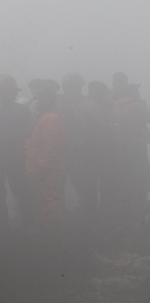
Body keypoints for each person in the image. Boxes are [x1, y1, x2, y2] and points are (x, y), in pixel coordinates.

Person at [25, 79, 67, 234]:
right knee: (42, 200)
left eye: (41, 98)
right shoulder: (44, 118)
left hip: (46, 169)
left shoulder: (50, 119)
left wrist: (42, 166)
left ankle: (51, 233)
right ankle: (45, 229)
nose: (38, 102)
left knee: (47, 200)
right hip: (40, 168)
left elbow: (50, 146)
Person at [71, 81, 114, 221]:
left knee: (88, 181)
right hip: (96, 148)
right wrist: (116, 127)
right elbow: (102, 126)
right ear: (95, 92)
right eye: (101, 93)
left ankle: (88, 211)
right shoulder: (93, 106)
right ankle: (99, 213)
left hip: (84, 149)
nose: (102, 97)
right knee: (101, 178)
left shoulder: (81, 105)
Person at [113, 83, 150, 210]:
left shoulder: (116, 105)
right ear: (133, 93)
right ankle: (139, 206)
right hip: (137, 146)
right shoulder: (137, 104)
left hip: (121, 146)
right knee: (145, 176)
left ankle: (126, 208)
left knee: (128, 178)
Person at [0, 75, 34, 233]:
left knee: (22, 193)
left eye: (12, 91)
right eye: (8, 90)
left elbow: (31, 130)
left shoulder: (23, 110)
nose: (12, 94)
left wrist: (15, 138)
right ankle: (5, 229)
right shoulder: (22, 109)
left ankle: (28, 227)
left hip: (17, 158)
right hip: (7, 157)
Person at [56, 72, 85, 212]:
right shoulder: (85, 102)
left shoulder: (56, 101)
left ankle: (86, 217)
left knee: (82, 187)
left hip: (74, 152)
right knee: (59, 188)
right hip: (66, 152)